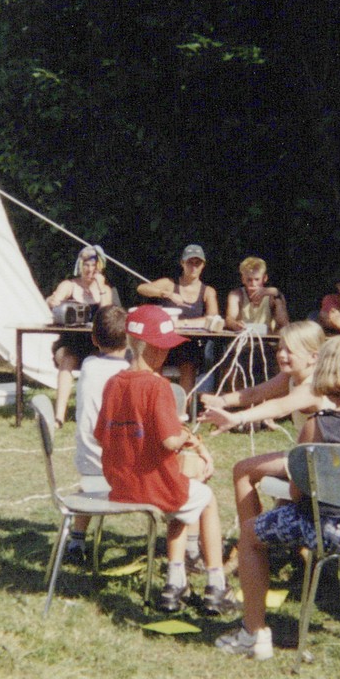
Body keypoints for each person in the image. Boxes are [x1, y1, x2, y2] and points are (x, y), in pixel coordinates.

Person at [217, 334, 340, 659]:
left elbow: (298, 492)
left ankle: (253, 633)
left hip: (327, 531)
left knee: (249, 535)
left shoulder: (317, 427)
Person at [96, 306, 232, 614]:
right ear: (151, 347)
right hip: (153, 488)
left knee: (184, 492)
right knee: (206, 498)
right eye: (164, 346)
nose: (167, 353)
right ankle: (216, 584)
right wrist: (188, 437)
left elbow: (101, 435)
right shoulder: (158, 386)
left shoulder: (113, 383)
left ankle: (175, 582)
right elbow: (170, 440)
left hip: (121, 486)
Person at [198, 320, 327, 572]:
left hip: (322, 464)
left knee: (243, 470)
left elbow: (279, 406)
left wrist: (237, 418)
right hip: (306, 459)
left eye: (290, 350)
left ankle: (251, 544)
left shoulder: (314, 386)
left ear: (313, 357)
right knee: (261, 478)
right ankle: (264, 542)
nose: (281, 354)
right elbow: (257, 393)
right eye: (280, 348)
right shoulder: (291, 377)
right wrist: (221, 400)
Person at [61, 306, 131, 562]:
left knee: (91, 483)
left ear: (93, 339)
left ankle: (77, 538)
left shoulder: (88, 365)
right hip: (119, 468)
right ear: (128, 339)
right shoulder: (128, 373)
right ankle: (187, 546)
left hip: (88, 462)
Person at [45, 245, 119, 425]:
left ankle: (97, 413)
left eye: (94, 266)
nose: (89, 269)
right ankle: (59, 416)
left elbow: (107, 314)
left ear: (100, 268)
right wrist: (53, 301)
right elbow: (53, 301)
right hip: (69, 342)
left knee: (98, 363)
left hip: (95, 344)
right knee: (67, 360)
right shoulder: (69, 285)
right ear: (80, 265)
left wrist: (100, 287)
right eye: (86, 265)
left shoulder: (105, 290)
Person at [135, 245, 222, 397]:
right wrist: (165, 294)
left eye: (197, 263)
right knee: (154, 357)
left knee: (188, 363)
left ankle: (182, 406)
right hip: (164, 341)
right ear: (182, 263)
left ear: (203, 265)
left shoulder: (207, 291)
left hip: (189, 343)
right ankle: (154, 400)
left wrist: (182, 324)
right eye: (190, 262)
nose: (193, 267)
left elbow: (213, 319)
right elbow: (142, 288)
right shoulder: (170, 284)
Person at [224, 257, 289, 333]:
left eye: (257, 279)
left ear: (265, 278)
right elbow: (229, 319)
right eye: (249, 280)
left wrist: (276, 295)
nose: (253, 284)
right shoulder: (236, 295)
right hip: (243, 337)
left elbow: (284, 324)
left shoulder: (272, 295)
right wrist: (235, 325)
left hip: (268, 339)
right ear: (243, 279)